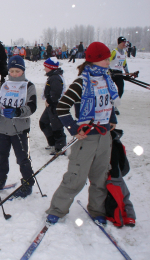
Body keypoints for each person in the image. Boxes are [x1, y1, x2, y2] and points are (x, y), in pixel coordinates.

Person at [45, 41, 119, 225]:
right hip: (86, 138)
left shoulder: (107, 79)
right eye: (104, 58)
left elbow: (108, 104)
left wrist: (112, 120)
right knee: (76, 177)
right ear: (94, 60)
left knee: (100, 177)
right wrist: (74, 128)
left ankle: (97, 209)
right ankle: (57, 209)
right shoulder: (81, 82)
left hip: (104, 137)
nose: (108, 61)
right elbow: (62, 107)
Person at [0, 56, 37, 198]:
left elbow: (32, 106)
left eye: (17, 71)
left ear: (23, 71)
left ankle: (27, 182)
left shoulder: (28, 86)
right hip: (2, 128)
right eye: (12, 71)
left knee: (23, 158)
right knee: (0, 157)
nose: (14, 74)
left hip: (20, 129)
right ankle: (0, 179)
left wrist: (18, 112)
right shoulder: (3, 85)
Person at [39, 58, 67, 155]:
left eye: (45, 67)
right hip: (51, 105)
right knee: (43, 122)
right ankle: (53, 143)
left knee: (57, 127)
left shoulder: (55, 77)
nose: (44, 69)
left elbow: (56, 92)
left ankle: (61, 147)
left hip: (55, 106)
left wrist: (50, 101)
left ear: (51, 67)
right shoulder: (53, 76)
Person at [109, 37, 132, 114]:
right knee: (110, 90)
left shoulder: (124, 53)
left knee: (121, 90)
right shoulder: (114, 52)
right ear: (119, 43)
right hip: (112, 74)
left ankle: (114, 106)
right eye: (123, 42)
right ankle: (108, 105)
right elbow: (107, 62)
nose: (125, 44)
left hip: (119, 73)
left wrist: (127, 73)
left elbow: (124, 64)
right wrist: (110, 71)